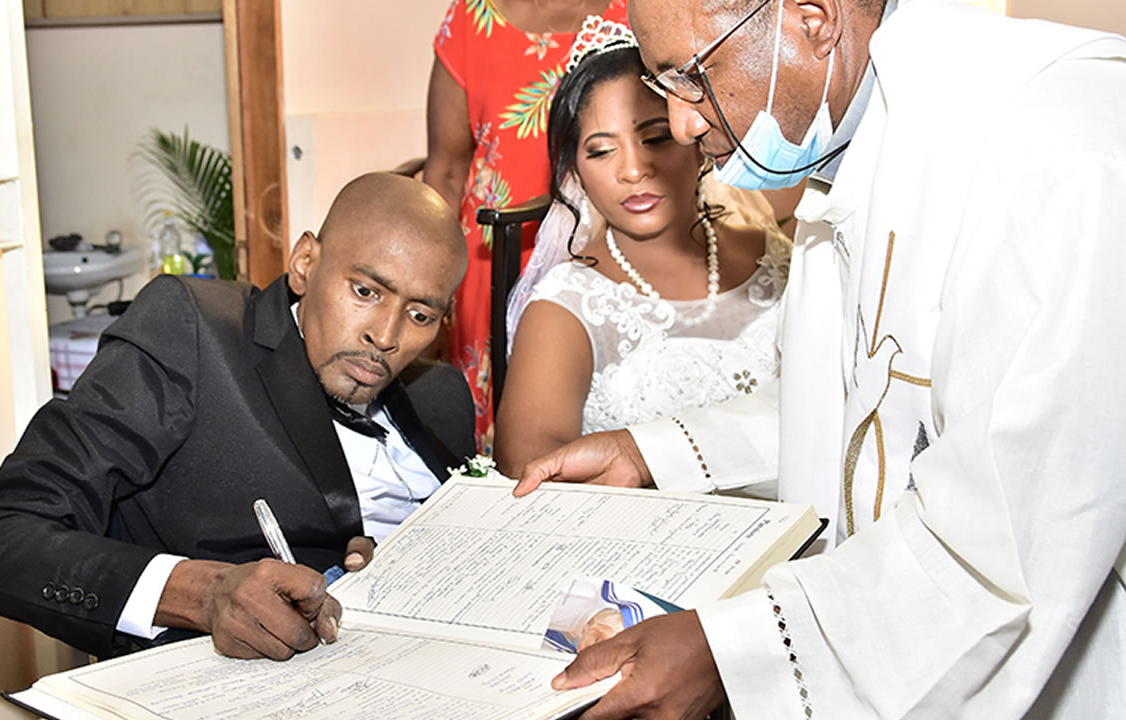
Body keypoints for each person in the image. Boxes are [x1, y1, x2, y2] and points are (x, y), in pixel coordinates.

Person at [515, 0, 1126, 718]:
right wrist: (650, 452)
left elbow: (1010, 543)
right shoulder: (852, 145)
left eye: (690, 76)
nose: (680, 124)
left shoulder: (1057, 146)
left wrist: (738, 653)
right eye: (663, 86)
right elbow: (853, 398)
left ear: (814, 19)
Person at [0, 173, 474, 660]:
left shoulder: (442, 398)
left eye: (420, 314)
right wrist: (203, 595)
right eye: (365, 291)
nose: (386, 335)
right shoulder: (195, 333)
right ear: (305, 262)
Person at [494, 18, 789, 486]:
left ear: (697, 137)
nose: (633, 170)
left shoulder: (779, 259)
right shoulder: (566, 306)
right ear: (576, 172)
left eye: (655, 138)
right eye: (601, 151)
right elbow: (530, 469)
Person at [424, 0, 629, 452]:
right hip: (488, 258)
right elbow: (446, 171)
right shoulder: (471, 17)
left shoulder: (634, 14)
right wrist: (427, 288)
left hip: (602, 251)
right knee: (488, 429)